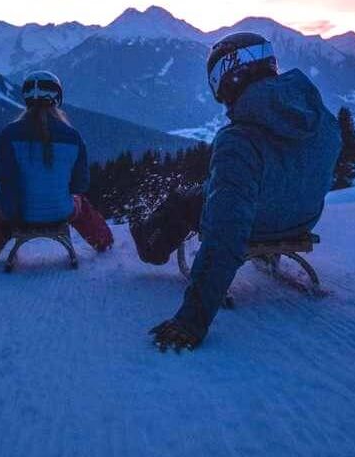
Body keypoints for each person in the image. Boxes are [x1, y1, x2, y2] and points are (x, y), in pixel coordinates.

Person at [132, 32, 340, 352]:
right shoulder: (324, 120)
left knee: (185, 200)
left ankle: (150, 246)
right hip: (302, 220)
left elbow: (226, 234)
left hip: (257, 222)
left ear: (229, 76)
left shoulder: (238, 139)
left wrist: (192, 319)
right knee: (213, 191)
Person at [0, 71, 114, 261]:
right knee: (80, 203)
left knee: (1, 205)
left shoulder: (8, 135)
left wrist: (11, 211)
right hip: (62, 211)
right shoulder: (73, 136)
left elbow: (5, 182)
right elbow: (80, 185)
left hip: (20, 215)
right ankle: (103, 241)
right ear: (57, 98)